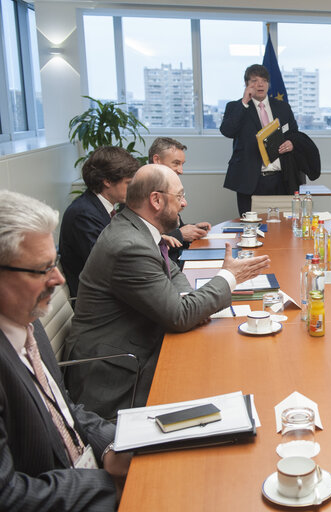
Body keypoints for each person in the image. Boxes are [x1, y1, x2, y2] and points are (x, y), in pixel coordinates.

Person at [64, 164, 270, 419]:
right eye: (180, 196)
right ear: (156, 200)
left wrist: (187, 300)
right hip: (116, 372)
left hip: (136, 343)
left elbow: (171, 271)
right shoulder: (128, 246)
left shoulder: (136, 228)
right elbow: (179, 316)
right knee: (223, 381)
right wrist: (229, 277)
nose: (185, 203)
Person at [0, 190, 131, 510]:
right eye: (42, 269)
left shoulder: (25, 321)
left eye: (54, 262)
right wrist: (106, 485)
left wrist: (112, 447)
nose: (58, 279)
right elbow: (7, 496)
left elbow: (63, 406)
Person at [220, 64, 301, 216]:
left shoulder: (283, 107)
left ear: (269, 84)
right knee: (251, 228)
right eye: (254, 80)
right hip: (250, 180)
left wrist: (291, 143)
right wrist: (244, 101)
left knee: (283, 228)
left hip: (281, 179)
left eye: (264, 80)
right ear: (246, 84)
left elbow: (294, 134)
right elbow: (227, 131)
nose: (260, 84)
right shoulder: (235, 106)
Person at [59, 146, 140, 298]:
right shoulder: (83, 215)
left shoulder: (102, 208)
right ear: (107, 181)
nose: (133, 189)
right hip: (96, 301)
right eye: (128, 183)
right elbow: (107, 265)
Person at [148, 137, 211, 268]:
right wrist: (181, 234)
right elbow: (145, 241)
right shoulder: (142, 191)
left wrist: (193, 229)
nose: (181, 170)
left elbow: (173, 228)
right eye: (176, 163)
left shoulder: (167, 187)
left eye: (182, 164)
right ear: (157, 160)